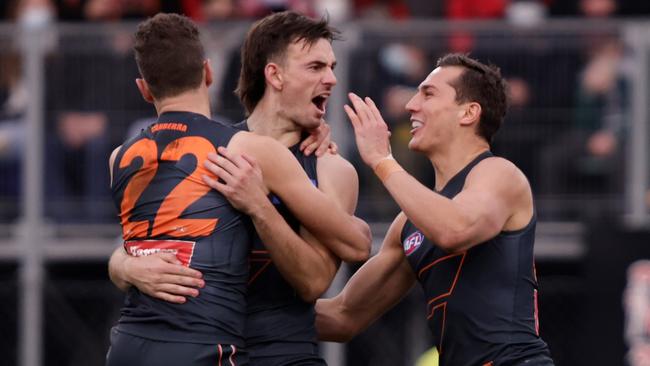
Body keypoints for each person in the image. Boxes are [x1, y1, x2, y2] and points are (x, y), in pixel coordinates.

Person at [106, 13, 370, 366]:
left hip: (281, 355)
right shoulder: (213, 148)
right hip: (210, 345)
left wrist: (259, 206)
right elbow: (137, 241)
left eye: (332, 66)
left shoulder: (330, 167)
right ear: (274, 75)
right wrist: (125, 267)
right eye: (316, 67)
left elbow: (314, 282)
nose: (332, 79)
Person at [315, 54, 554, 365]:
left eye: (428, 93)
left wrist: (382, 161)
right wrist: (242, 308)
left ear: (469, 113)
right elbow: (342, 316)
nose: (411, 105)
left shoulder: (499, 174)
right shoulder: (410, 223)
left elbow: (455, 229)